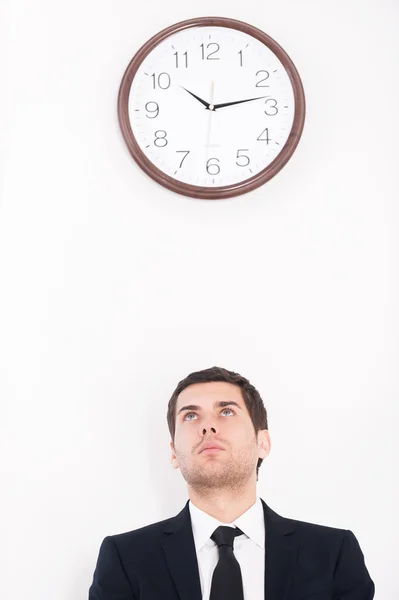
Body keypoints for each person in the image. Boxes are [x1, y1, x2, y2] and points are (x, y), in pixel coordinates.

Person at [88, 366, 375, 600]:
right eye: (190, 415)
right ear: (174, 453)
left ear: (263, 443)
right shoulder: (125, 559)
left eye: (226, 411)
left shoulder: (333, 554)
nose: (207, 426)